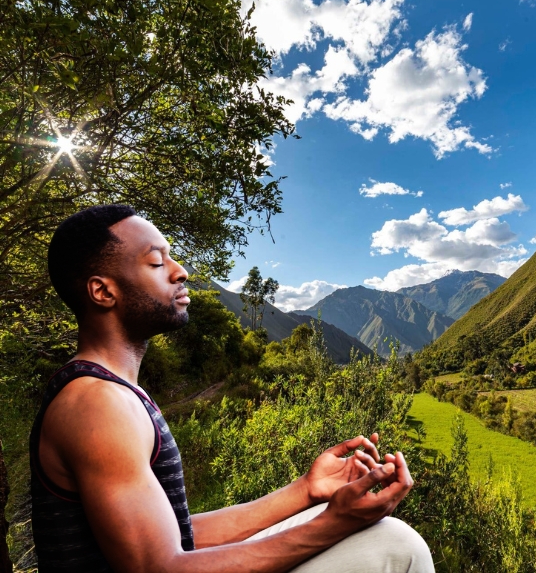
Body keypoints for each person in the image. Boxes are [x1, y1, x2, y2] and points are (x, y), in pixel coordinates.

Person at [31, 205, 434, 573]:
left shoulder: (107, 390)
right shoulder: (97, 404)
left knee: (381, 535)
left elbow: (178, 536)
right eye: (156, 261)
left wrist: (307, 491)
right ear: (103, 292)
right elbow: (159, 567)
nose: (179, 270)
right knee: (395, 544)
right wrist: (334, 522)